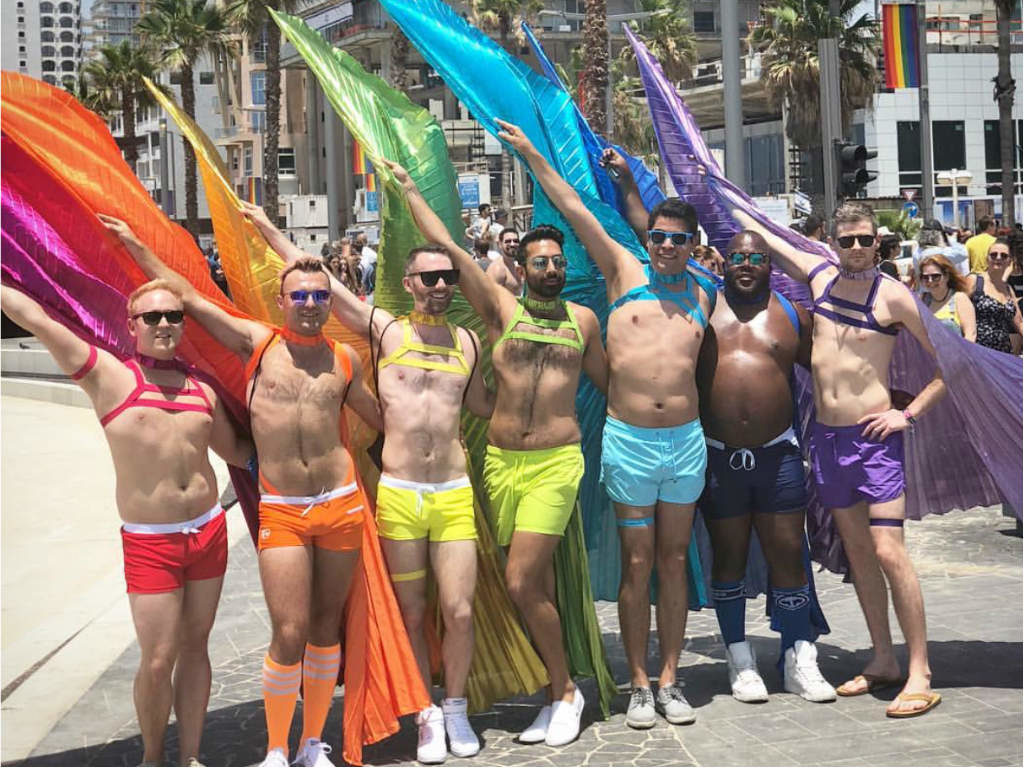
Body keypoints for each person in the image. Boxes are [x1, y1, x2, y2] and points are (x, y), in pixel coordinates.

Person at [102, 215, 382, 767]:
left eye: (319, 296)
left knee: (326, 628)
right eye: (299, 295)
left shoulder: (344, 360)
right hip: (284, 508)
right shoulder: (256, 343)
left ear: (330, 302)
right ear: (282, 302)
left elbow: (382, 420)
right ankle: (277, 747)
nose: (309, 303)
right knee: (290, 628)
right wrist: (136, 245)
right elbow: (187, 296)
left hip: (341, 505)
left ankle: (310, 745)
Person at [240, 201, 493, 764]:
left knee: (459, 610)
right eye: (429, 277)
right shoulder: (383, 329)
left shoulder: (469, 344)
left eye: (448, 277)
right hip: (400, 494)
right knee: (410, 612)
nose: (440, 285)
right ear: (408, 283)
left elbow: (483, 406)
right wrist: (267, 230)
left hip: (453, 491)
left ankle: (456, 708)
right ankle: (425, 713)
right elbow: (321, 284)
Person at [386, 157, 609, 748]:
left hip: (558, 465)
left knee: (520, 582)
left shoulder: (583, 322)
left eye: (560, 263)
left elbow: (613, 388)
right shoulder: (500, 312)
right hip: (500, 464)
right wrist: (410, 188)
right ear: (522, 268)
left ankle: (564, 691)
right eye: (542, 263)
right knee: (530, 586)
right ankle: (548, 687)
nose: (554, 269)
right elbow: (448, 247)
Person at [0, 277, 253, 767]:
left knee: (196, 647)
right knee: (158, 660)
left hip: (207, 532)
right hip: (151, 541)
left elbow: (238, 453)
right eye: (152, 317)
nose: (163, 324)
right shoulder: (110, 376)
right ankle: (153, 758)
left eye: (173, 316)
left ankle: (191, 758)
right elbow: (36, 320)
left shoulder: (202, 389)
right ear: (131, 325)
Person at [511, 128, 715, 729]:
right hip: (630, 441)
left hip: (686, 443)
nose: (667, 247)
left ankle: (672, 679)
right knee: (637, 562)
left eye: (678, 240)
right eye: (659, 237)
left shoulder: (706, 291)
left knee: (674, 560)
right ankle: (639, 684)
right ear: (647, 239)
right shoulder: (623, 268)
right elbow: (574, 209)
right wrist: (530, 155)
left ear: (692, 245)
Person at [733, 201, 946, 718]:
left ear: (879, 243)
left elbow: (948, 363)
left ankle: (919, 670)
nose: (856, 248)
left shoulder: (893, 296)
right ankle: (882, 659)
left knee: (889, 551)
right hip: (826, 442)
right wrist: (705, 177)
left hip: (874, 441)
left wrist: (907, 415)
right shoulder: (819, 274)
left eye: (865, 240)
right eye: (847, 239)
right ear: (832, 239)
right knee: (858, 554)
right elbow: (762, 232)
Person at [696, 231, 836, 705]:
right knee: (729, 558)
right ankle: (740, 658)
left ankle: (799, 655)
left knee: (787, 556)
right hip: (718, 459)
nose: (747, 263)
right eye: (738, 256)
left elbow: (831, 369)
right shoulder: (702, 307)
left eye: (757, 256)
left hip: (778, 457)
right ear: (724, 261)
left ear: (769, 264)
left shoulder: (793, 315)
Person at [970, 237, 1022, 353]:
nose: (998, 258)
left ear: (1009, 261)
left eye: (1003, 256)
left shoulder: (1008, 289)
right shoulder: (975, 281)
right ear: (987, 258)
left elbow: (1019, 323)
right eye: (994, 255)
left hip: (1002, 354)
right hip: (978, 352)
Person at [919, 254, 977, 342]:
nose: (930, 281)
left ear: (946, 276)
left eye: (935, 277)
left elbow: (970, 334)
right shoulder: (922, 300)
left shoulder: (959, 298)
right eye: (925, 277)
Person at [488, 227, 525, 295]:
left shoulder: (515, 265)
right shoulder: (498, 269)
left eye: (516, 241)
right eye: (508, 241)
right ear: (500, 244)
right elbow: (491, 298)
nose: (512, 244)